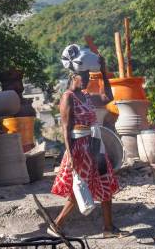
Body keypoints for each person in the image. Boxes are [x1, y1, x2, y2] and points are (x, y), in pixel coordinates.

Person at [50, 44, 126, 238]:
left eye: (87, 77)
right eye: (83, 77)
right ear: (73, 76)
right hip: (80, 149)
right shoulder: (68, 98)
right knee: (79, 188)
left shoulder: (85, 97)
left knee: (106, 182)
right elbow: (66, 130)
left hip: (95, 146)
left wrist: (103, 72)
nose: (86, 80)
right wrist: (71, 156)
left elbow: (107, 96)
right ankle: (56, 225)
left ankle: (108, 228)